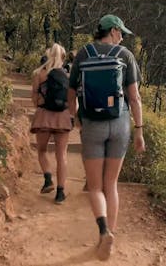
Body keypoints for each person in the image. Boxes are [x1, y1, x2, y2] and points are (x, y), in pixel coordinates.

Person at [68, 14, 146, 261]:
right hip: (120, 123)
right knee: (111, 184)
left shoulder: (83, 54)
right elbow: (134, 98)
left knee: (95, 186)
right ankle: (110, 234)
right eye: (121, 32)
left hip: (92, 124)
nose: (122, 37)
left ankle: (102, 231)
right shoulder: (125, 56)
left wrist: (77, 119)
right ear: (112, 31)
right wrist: (139, 130)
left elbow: (72, 95)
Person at [30, 43, 72, 204]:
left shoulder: (39, 73)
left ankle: (48, 179)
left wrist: (41, 106)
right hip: (63, 117)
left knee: (42, 150)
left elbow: (34, 97)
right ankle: (60, 193)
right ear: (63, 57)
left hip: (44, 116)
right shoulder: (67, 76)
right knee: (61, 155)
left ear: (48, 56)